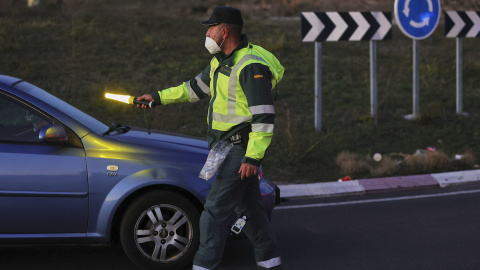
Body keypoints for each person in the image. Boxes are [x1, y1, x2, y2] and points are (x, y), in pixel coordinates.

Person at [136, 6, 284, 270]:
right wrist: (156, 98)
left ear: (224, 32)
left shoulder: (251, 66)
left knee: (214, 212)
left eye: (210, 28)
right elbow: (192, 89)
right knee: (249, 210)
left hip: (240, 150)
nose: (207, 33)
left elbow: (264, 117)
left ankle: (203, 265)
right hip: (225, 147)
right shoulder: (220, 62)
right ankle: (270, 260)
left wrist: (253, 157)